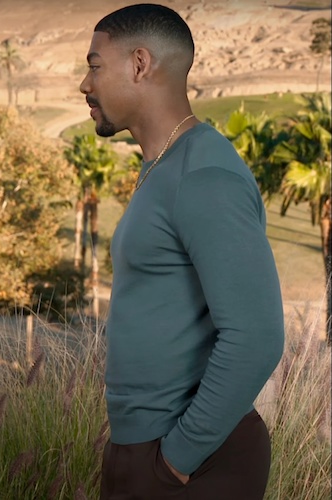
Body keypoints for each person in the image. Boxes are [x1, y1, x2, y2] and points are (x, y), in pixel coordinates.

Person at [79, 4, 285, 499]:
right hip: (146, 450)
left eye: (95, 66)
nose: (85, 84)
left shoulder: (203, 175)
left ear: (140, 64)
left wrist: (177, 459)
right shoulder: (164, 166)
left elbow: (256, 336)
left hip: (195, 462)